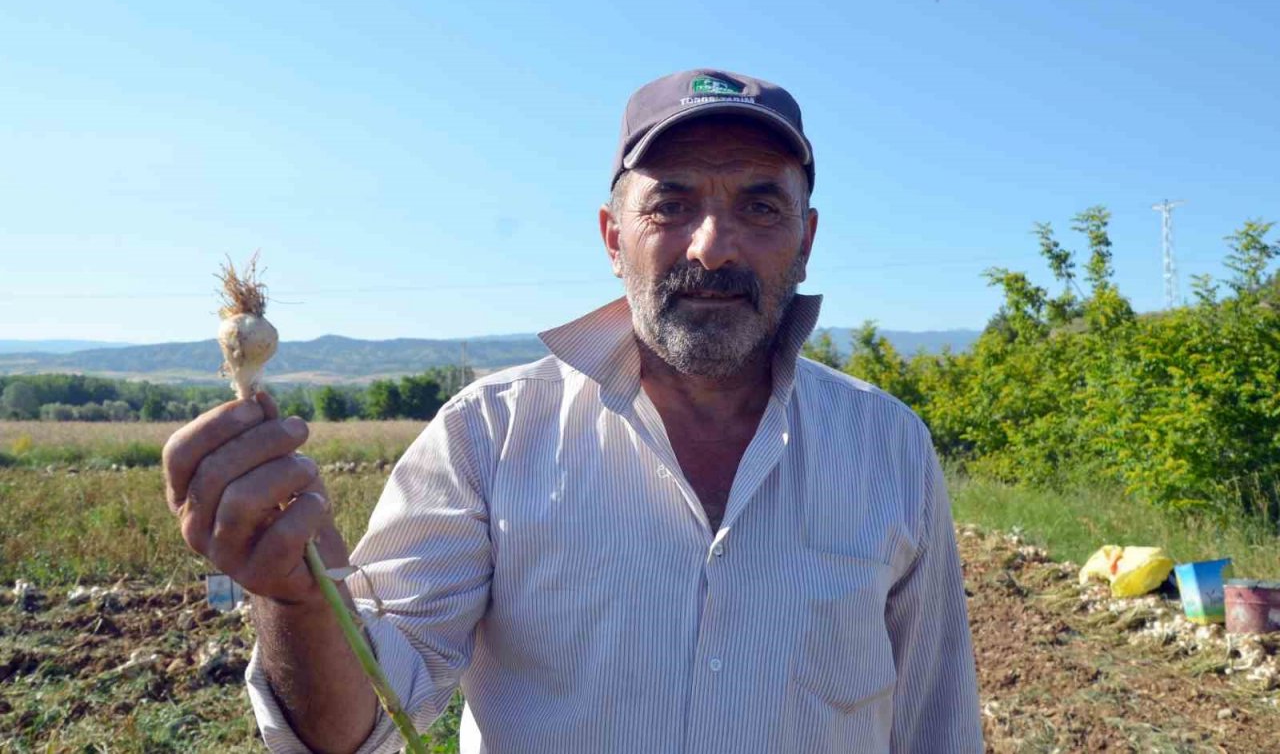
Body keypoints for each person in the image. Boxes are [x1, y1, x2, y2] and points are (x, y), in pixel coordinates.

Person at [163, 68, 983, 754]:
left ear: (805, 240)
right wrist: (298, 599)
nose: (712, 246)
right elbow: (360, 723)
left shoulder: (887, 447)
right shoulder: (488, 435)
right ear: (612, 237)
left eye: (760, 207)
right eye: (671, 205)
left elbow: (936, 724)